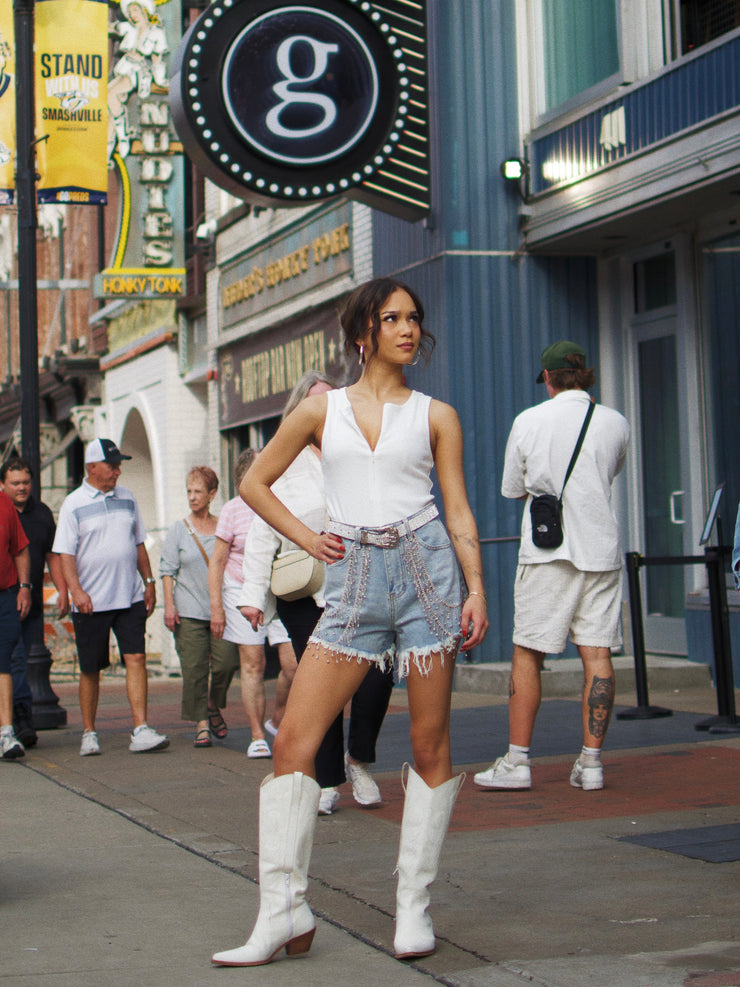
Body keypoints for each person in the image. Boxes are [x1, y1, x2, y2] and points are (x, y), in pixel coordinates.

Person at [211, 276, 488, 967]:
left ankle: (414, 906)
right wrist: (307, 541)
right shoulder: (320, 411)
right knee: (294, 744)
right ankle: (283, 911)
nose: (407, 328)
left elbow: (455, 508)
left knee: (428, 745)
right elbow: (251, 483)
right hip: (355, 579)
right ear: (363, 332)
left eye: (414, 318)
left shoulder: (436, 414)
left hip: (427, 575)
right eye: (392, 317)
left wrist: (476, 587)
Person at [474, 341, 630, 794]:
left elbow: (513, 489)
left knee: (528, 651)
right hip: (600, 550)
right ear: (585, 375)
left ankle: (518, 761)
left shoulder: (528, 421)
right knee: (598, 655)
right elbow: (610, 474)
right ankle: (592, 763)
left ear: (547, 378)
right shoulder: (616, 422)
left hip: (547, 554)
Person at [237, 370, 395, 815]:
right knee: (320, 689)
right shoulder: (283, 461)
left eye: (334, 400)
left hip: (364, 588)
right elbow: (261, 529)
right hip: (305, 594)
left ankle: (359, 760)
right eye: (316, 401)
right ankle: (327, 781)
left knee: (376, 679)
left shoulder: (362, 452)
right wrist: (252, 594)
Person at [53, 438, 169, 756]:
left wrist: (149, 582)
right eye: (112, 465)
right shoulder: (73, 504)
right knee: (91, 668)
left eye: (119, 465)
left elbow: (138, 543)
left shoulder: (128, 498)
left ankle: (141, 727)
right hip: (91, 600)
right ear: (92, 467)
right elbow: (65, 554)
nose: (118, 471)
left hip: (129, 595)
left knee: (137, 659)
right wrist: (76, 591)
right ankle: (89, 732)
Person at [209, 450, 298, 759]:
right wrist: (217, 607)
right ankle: (258, 735)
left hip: (280, 588)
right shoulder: (233, 510)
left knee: (293, 665)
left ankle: (276, 719)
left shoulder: (283, 501)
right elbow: (217, 562)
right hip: (241, 588)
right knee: (253, 663)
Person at [160, 466, 239, 747]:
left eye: (198, 492)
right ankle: (202, 724)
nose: (192, 498)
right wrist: (169, 606)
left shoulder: (223, 527)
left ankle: (211, 704)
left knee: (226, 664)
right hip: (188, 610)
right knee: (194, 670)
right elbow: (167, 571)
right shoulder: (179, 530)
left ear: (212, 494)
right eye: (189, 492)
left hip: (223, 609)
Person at [0, 457, 69, 748]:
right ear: (3, 484)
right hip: (8, 599)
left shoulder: (41, 513)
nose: (22, 487)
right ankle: (20, 720)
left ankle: (20, 718)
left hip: (30, 601)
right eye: (15, 483)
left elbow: (52, 554)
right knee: (13, 660)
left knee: (24, 660)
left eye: (26, 482)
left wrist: (62, 589)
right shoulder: (5, 509)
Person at [0, 489, 31, 760]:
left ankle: (6, 732)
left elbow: (19, 549)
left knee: (3, 662)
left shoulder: (4, 504)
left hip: (5, 594)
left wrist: (24, 587)